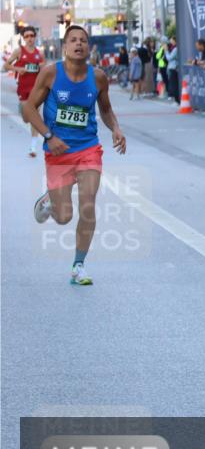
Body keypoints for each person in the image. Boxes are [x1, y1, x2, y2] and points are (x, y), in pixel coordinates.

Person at [23, 24, 127, 286]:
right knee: (64, 217)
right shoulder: (50, 74)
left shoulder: (99, 77)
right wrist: (48, 136)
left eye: (83, 40)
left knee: (89, 206)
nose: (78, 44)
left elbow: (105, 109)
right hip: (57, 152)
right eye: (73, 40)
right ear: (65, 47)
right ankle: (50, 200)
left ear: (88, 47)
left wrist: (115, 127)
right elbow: (29, 109)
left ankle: (78, 265)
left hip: (88, 149)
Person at [3, 25, 47, 156]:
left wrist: (42, 67)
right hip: (23, 88)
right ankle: (24, 113)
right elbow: (6, 65)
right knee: (26, 118)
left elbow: (44, 69)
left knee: (34, 116)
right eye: (27, 36)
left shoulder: (40, 54)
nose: (29, 39)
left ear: (35, 37)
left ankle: (33, 148)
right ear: (23, 38)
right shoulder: (19, 51)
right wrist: (18, 69)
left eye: (32, 36)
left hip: (36, 88)